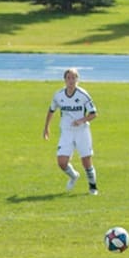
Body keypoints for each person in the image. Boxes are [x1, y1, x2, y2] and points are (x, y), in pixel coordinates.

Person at [42, 67, 99, 195]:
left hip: (81, 131)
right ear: (64, 80)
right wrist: (46, 128)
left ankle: (93, 187)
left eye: (74, 78)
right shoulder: (58, 95)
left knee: (86, 161)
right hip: (66, 131)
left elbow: (94, 113)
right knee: (61, 162)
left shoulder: (83, 95)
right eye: (69, 78)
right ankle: (74, 176)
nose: (71, 81)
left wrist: (82, 120)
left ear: (77, 79)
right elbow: (51, 110)